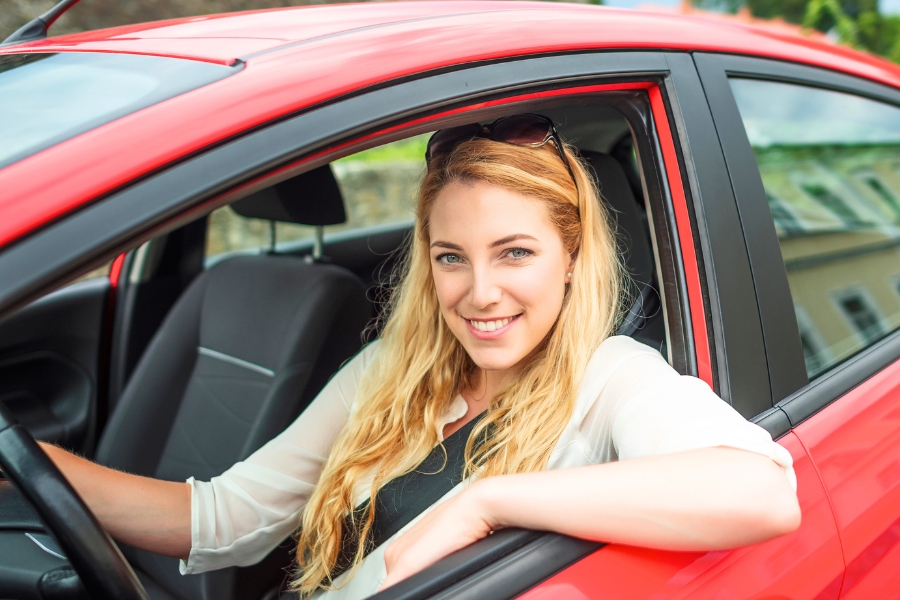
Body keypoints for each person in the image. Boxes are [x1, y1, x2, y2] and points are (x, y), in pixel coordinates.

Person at [39, 114, 800, 599]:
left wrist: (486, 500)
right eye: (450, 257)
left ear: (571, 257)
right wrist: (36, 465)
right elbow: (227, 516)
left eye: (514, 253)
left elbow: (762, 492)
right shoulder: (392, 372)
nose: (478, 293)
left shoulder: (609, 378)